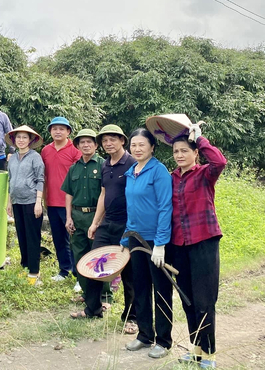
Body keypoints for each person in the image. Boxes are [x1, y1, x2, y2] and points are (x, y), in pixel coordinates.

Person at [71, 125, 138, 334]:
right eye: (106, 140)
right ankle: (93, 308)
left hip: (128, 225)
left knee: (129, 272)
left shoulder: (132, 163)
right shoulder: (106, 165)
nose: (109, 144)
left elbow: (138, 195)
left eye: (113, 140)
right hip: (107, 223)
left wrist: (134, 225)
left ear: (122, 141)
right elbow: (103, 195)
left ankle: (131, 317)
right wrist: (95, 222)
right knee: (93, 264)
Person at [171, 126, 226, 369]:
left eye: (185, 150)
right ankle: (195, 350)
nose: (180, 155)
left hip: (204, 240)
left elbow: (220, 161)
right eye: (175, 151)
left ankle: (209, 354)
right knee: (188, 300)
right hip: (179, 244)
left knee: (205, 300)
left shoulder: (205, 173)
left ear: (196, 153)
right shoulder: (170, 178)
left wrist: (199, 137)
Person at [120, 128, 173, 359]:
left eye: (142, 144)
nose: (137, 149)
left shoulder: (158, 171)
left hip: (155, 240)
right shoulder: (131, 171)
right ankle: (144, 334)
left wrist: (161, 243)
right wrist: (125, 238)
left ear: (152, 147)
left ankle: (163, 340)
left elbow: (165, 207)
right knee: (139, 286)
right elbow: (131, 208)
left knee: (161, 290)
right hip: (135, 239)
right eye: (134, 145)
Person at [62, 129, 104, 295]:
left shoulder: (103, 165)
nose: (86, 145)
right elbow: (69, 194)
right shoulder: (74, 168)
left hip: (96, 216)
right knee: (79, 253)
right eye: (82, 142)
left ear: (95, 145)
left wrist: (101, 219)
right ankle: (86, 290)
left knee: (99, 255)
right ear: (78, 145)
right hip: (77, 216)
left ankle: (104, 293)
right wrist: (68, 217)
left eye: (89, 142)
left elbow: (105, 193)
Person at [41, 117, 82, 281]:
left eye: (62, 129)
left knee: (75, 239)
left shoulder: (75, 151)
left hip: (69, 203)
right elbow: (43, 175)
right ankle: (64, 270)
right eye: (54, 128)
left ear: (68, 132)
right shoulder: (45, 150)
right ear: (50, 131)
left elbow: (79, 178)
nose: (58, 132)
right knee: (58, 239)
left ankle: (79, 274)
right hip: (51, 201)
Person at [6, 125, 45, 285]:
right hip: (17, 202)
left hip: (31, 202)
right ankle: (25, 266)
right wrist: (9, 202)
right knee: (21, 236)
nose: (21, 140)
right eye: (18, 138)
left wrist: (38, 202)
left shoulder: (35, 157)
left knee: (32, 237)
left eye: (24, 137)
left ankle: (34, 272)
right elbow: (10, 179)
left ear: (30, 140)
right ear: (14, 141)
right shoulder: (13, 157)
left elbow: (40, 179)